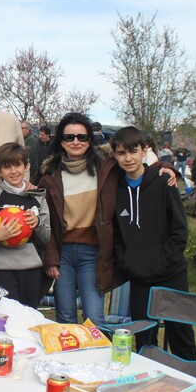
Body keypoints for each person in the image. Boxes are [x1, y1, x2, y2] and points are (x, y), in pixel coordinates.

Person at [111, 127, 196, 360]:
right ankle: (149, 386)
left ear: (144, 151)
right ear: (115, 156)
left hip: (171, 274)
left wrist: (165, 260)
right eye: (121, 153)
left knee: (180, 334)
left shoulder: (162, 181)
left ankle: (193, 384)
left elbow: (179, 230)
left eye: (133, 151)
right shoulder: (115, 190)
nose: (128, 158)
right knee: (144, 339)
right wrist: (126, 262)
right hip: (139, 276)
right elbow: (117, 235)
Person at [39, 113, 127, 327]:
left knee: (94, 318)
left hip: (94, 253)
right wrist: (50, 257)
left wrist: (168, 168)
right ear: (61, 141)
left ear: (90, 140)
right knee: (66, 318)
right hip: (63, 254)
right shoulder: (49, 175)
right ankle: (68, 361)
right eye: (69, 137)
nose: (75, 142)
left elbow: (139, 161)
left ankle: (100, 360)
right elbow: (45, 219)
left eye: (81, 137)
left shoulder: (107, 169)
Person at [0, 143, 50, 309]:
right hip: (2, 270)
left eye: (17, 165)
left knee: (28, 317)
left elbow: (46, 237)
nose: (13, 171)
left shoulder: (38, 197)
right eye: (6, 167)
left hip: (31, 269)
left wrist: (37, 224)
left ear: (26, 166)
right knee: (6, 317)